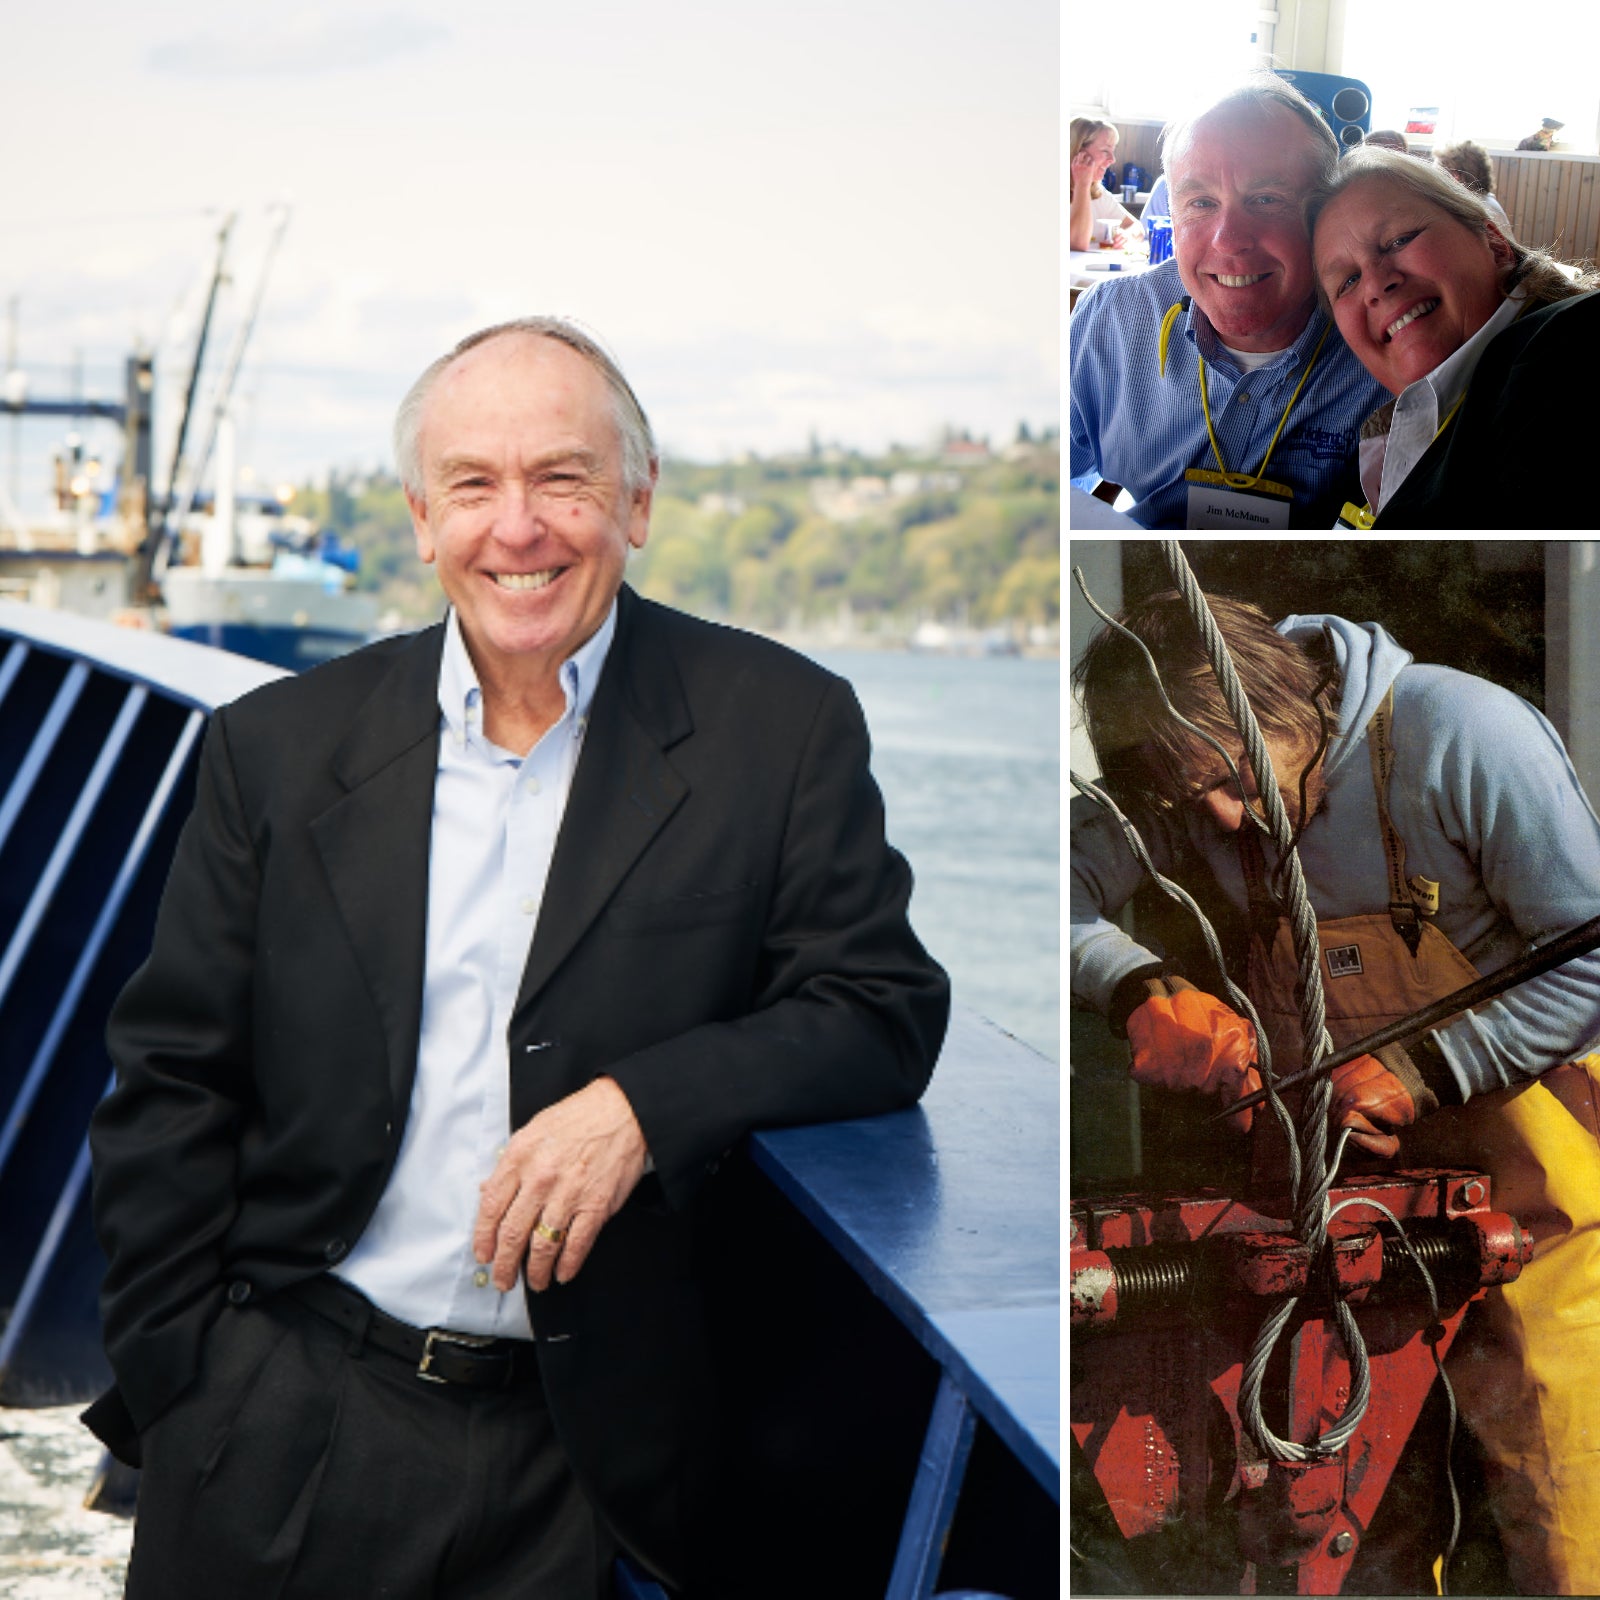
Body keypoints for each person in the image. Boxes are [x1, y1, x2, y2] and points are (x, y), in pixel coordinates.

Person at [84, 317, 951, 1598]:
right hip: (288, 1416)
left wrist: (643, 1107)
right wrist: (188, 1383)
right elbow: (173, 1079)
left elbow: (880, 1008)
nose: (519, 527)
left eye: (563, 478)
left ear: (637, 501)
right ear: (423, 517)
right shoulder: (273, 746)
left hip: (590, 1461)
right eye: (476, 485)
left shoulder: (781, 727)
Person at [1071, 587, 1600, 1594]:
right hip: (1347, 1206)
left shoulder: (1462, 733)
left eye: (1231, 780)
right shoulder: (1189, 787)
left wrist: (1418, 1067)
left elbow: (1591, 959)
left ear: (1286, 702)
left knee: (1569, 1510)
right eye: (1192, 810)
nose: (1228, 823)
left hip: (1547, 1193)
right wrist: (1136, 985)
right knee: (1339, 1507)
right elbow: (1046, 885)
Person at [1069, 74, 1387, 530]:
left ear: (1324, 214)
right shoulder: (1112, 319)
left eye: (1266, 199)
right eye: (1200, 202)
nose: (1229, 239)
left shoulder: (1380, 337)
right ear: (1171, 215)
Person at [1309, 145, 1600, 527]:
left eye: (1399, 240)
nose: (1376, 285)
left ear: (1495, 244)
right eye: (1348, 280)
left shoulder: (1572, 347)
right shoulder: (1411, 420)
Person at [1070, 117, 1143, 253]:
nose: (1112, 159)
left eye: (1113, 151)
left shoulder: (1098, 193)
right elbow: (1077, 244)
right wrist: (1082, 183)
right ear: (1078, 151)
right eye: (1105, 151)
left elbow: (1136, 226)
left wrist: (1126, 236)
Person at [1434, 138, 1513, 233]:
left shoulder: (1473, 212)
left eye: (1438, 174)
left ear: (1455, 176)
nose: (1435, 181)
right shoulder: (1487, 202)